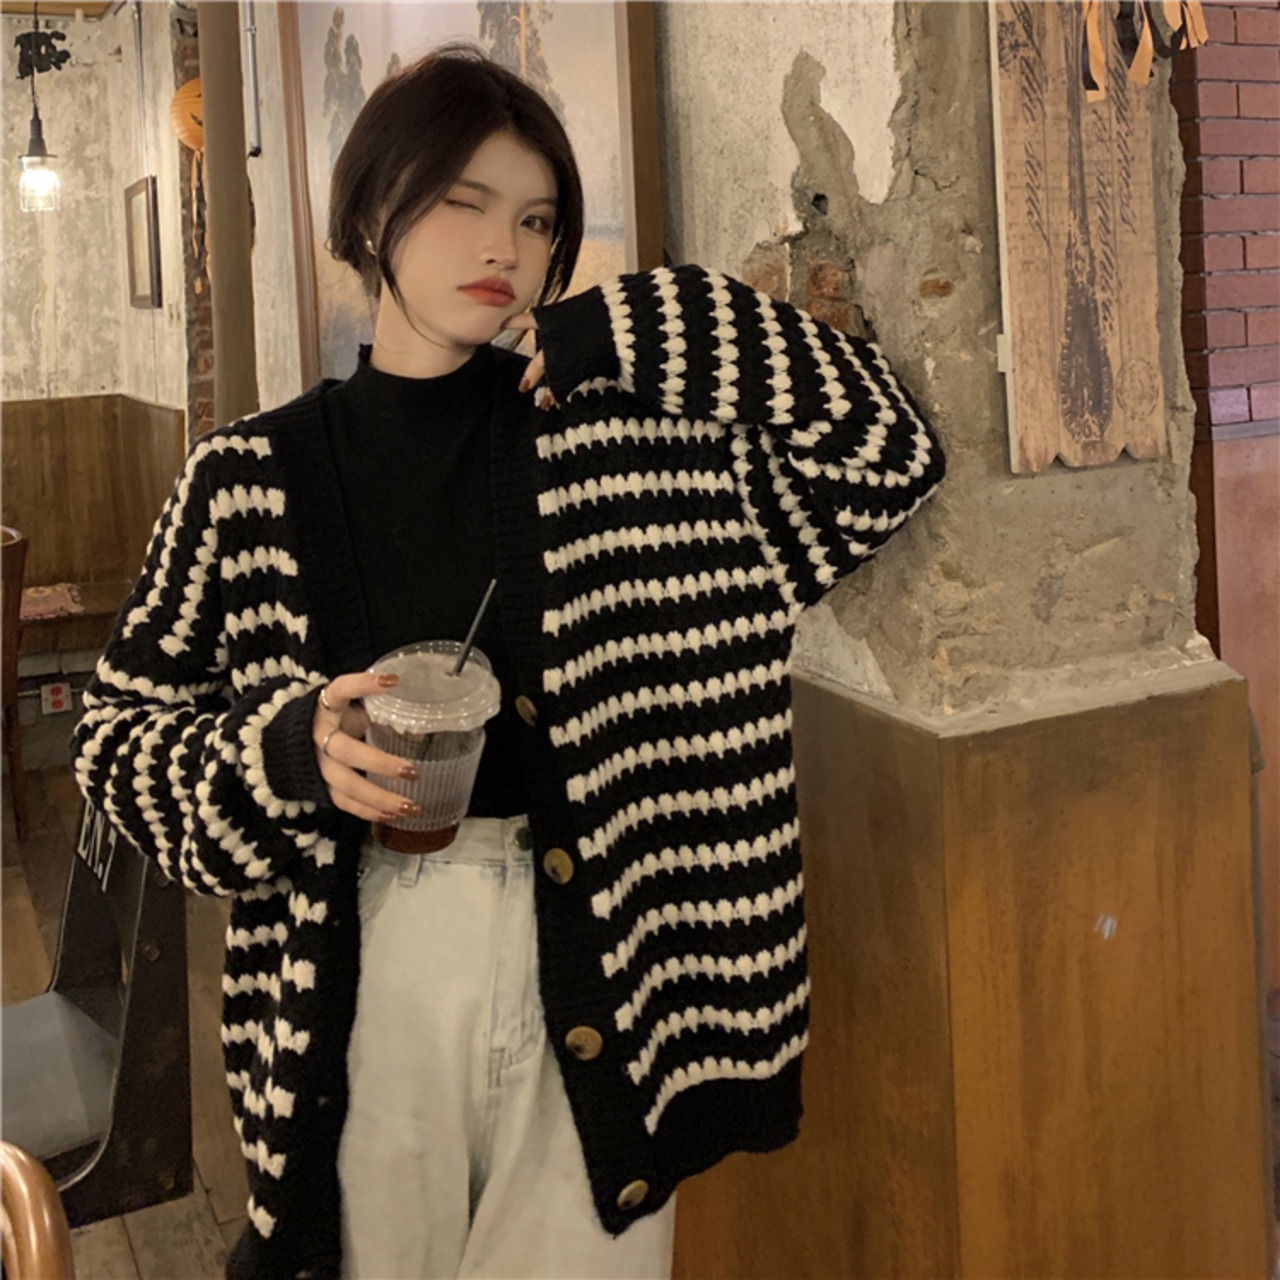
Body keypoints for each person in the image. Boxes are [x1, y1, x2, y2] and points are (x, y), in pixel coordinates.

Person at [70, 42, 945, 1280]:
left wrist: (646, 319)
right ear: (369, 216)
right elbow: (114, 741)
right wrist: (283, 753)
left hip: (607, 964)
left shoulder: (629, 454)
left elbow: (885, 451)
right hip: (359, 963)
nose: (506, 247)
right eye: (461, 202)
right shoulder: (247, 479)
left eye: (536, 220)